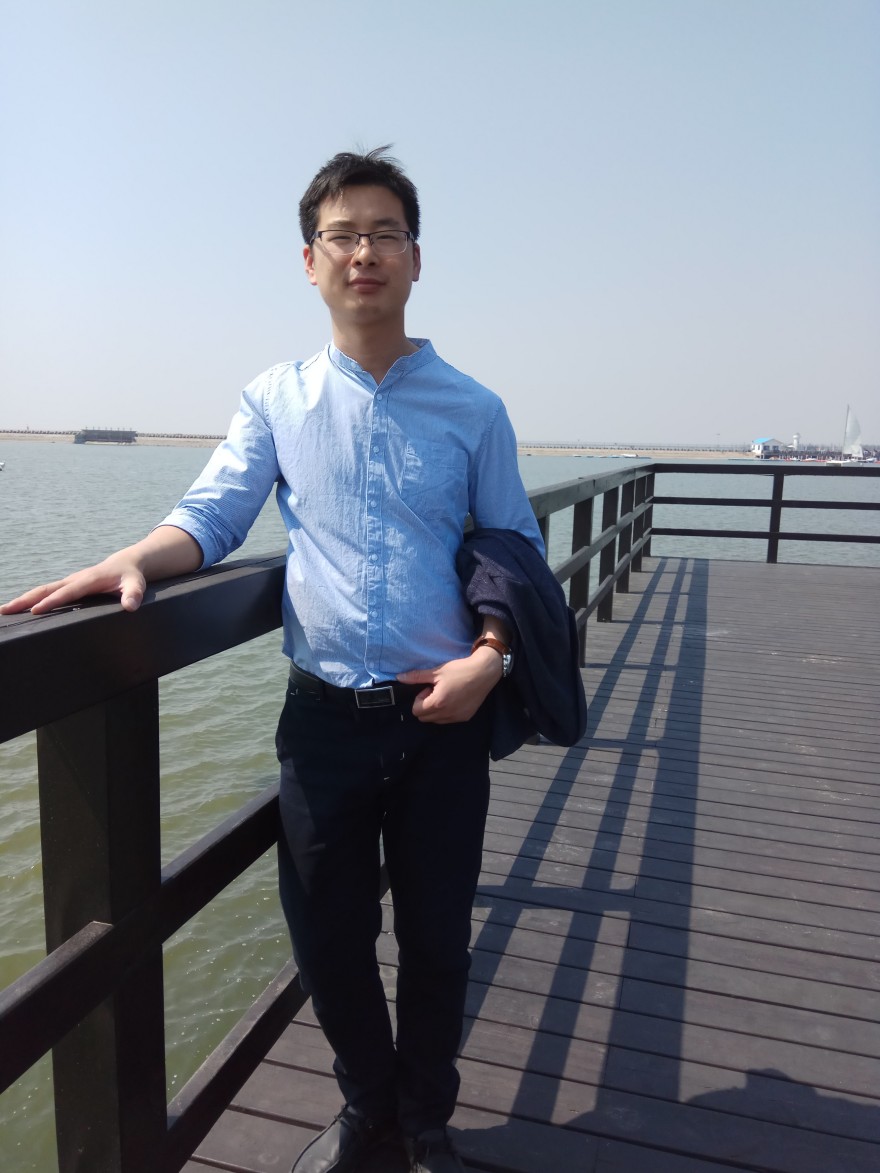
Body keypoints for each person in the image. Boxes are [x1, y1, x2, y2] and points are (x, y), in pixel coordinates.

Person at [1, 147, 544, 1173]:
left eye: (384, 233)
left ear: (416, 257)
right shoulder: (275, 398)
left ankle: (426, 1120)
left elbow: (514, 549)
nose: (363, 253)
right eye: (342, 235)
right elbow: (212, 516)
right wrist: (132, 560)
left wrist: (491, 656)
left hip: (445, 716)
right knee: (328, 939)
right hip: (324, 721)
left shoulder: (474, 409)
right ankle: (368, 1107)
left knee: (436, 938)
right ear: (309, 261)